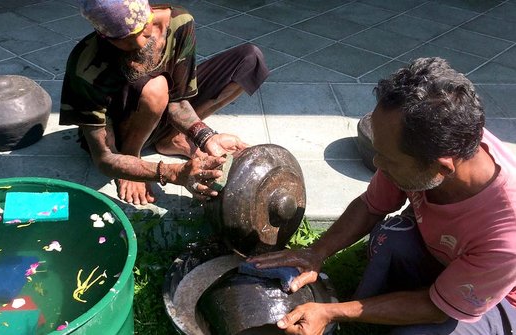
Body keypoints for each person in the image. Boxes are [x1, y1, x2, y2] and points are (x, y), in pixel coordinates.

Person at [248, 57, 516, 335]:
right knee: (392, 237)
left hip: (496, 300)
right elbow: (370, 205)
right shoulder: (440, 138)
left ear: (441, 167)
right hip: (446, 256)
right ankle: (375, 310)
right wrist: (316, 252)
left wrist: (330, 311)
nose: (377, 163)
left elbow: (437, 309)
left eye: (388, 158)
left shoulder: (506, 235)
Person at [59, 0, 269, 205]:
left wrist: (205, 137)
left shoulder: (180, 23)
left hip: (160, 113)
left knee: (249, 60)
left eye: (143, 32)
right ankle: (132, 156)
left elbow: (178, 102)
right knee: (156, 87)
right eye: (124, 41)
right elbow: (104, 157)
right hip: (119, 136)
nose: (139, 44)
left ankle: (172, 138)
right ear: (103, 35)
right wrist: (169, 172)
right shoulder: (85, 65)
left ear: (150, 12)